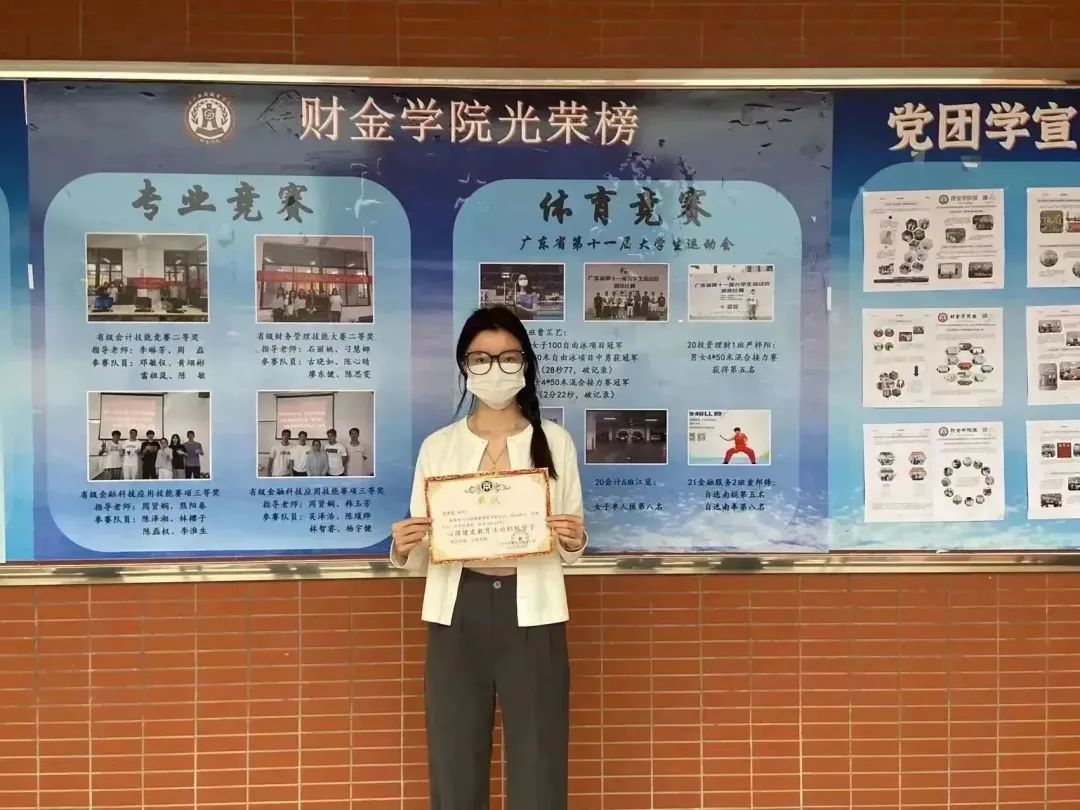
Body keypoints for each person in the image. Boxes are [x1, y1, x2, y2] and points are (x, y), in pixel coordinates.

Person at [390, 305, 586, 810]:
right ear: (464, 366)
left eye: (507, 357)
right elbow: (425, 547)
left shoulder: (555, 442)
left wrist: (573, 539)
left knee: (539, 758)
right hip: (458, 608)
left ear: (526, 364)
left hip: (533, 610)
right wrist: (404, 545)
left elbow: (571, 540)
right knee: (454, 756)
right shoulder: (439, 446)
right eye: (481, 358)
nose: (494, 369)